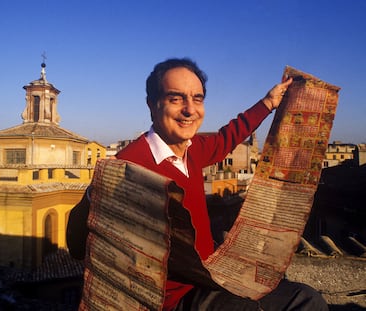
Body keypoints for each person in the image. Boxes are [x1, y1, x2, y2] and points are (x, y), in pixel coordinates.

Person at [67, 58, 328, 310]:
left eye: (197, 98)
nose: (190, 110)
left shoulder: (192, 150)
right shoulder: (129, 166)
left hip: (209, 277)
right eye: (176, 98)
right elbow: (78, 246)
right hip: (177, 299)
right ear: (152, 105)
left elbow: (229, 136)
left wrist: (268, 103)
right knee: (305, 302)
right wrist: (97, 193)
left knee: (294, 292)